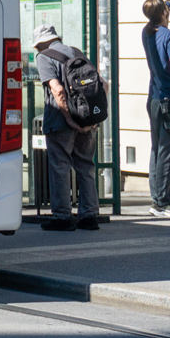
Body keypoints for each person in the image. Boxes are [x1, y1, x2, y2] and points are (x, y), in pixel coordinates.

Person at [32, 24, 100, 231]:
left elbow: (58, 90)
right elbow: (103, 85)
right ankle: (89, 216)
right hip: (87, 119)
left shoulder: (44, 57)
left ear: (40, 43)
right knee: (86, 167)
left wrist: (70, 120)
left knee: (60, 168)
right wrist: (90, 119)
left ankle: (62, 217)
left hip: (61, 122)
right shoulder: (77, 53)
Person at [142, 0, 170, 217]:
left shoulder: (147, 33)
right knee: (169, 152)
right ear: (164, 13)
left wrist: (165, 8)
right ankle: (162, 203)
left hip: (154, 99)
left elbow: (154, 21)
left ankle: (157, 199)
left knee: (157, 150)